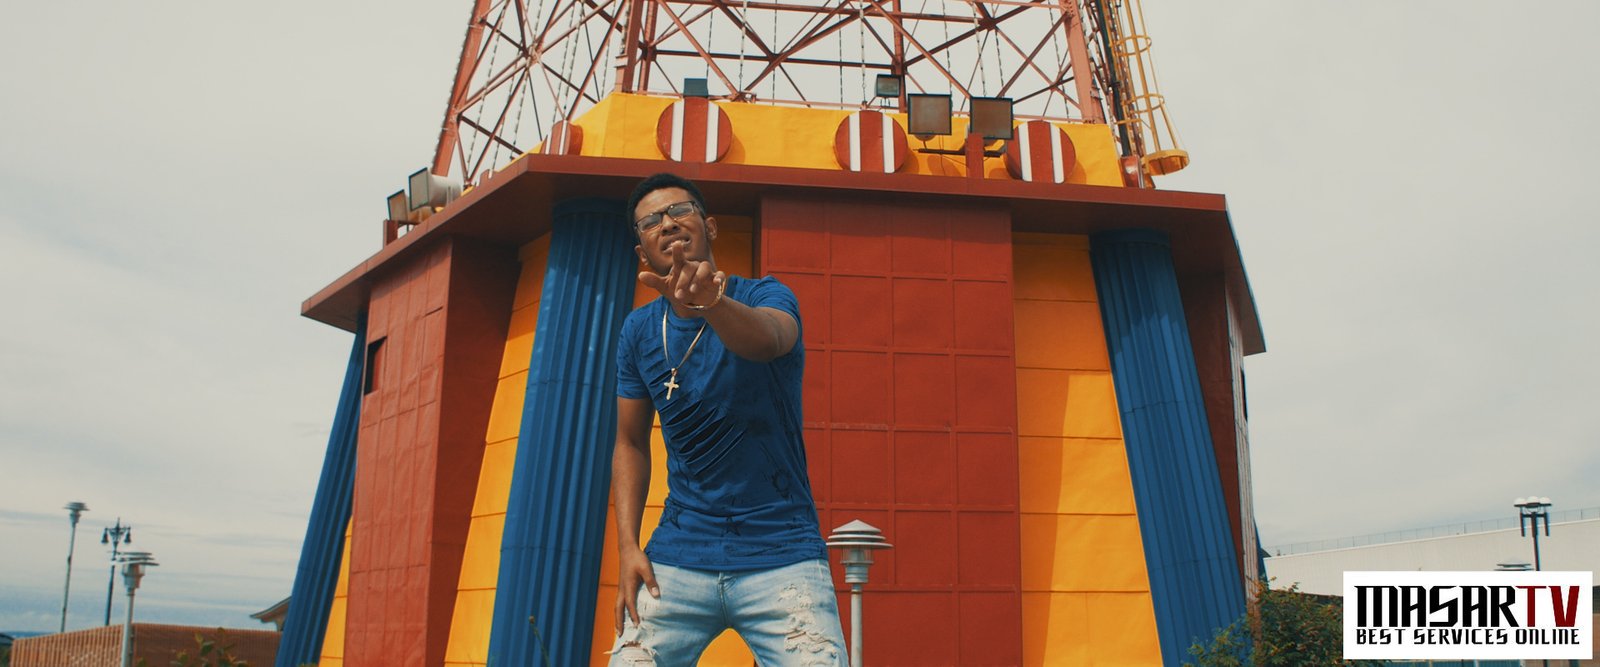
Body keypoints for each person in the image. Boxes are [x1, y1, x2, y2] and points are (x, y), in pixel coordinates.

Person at [609, 173, 847, 666]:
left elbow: (769, 341)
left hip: (783, 551)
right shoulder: (638, 331)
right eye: (651, 221)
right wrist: (628, 547)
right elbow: (629, 442)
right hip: (677, 555)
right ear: (642, 252)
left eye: (680, 210)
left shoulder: (766, 295)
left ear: (710, 226)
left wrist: (711, 305)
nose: (667, 223)